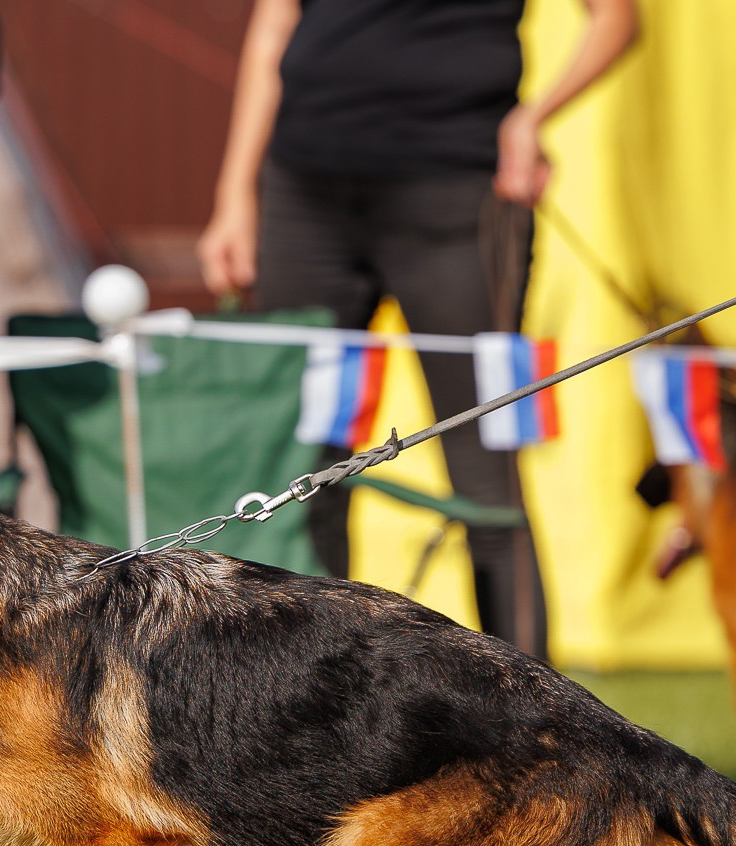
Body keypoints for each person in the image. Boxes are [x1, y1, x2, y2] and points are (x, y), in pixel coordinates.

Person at [198, 0, 639, 661]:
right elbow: (275, 24)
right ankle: (310, 714)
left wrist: (533, 118)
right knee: (301, 478)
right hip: (306, 195)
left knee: (487, 485)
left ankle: (535, 732)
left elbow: (617, 18)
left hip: (457, 201)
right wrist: (235, 194)